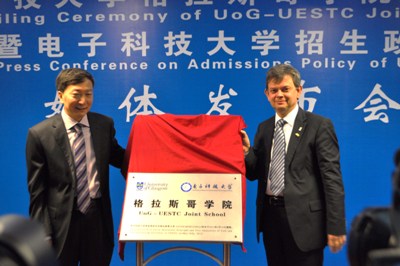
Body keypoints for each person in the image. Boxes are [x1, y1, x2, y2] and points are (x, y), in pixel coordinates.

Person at [241, 64, 346, 266]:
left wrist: (336, 225)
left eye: (285, 89)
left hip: (306, 223)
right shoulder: (264, 128)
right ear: (267, 94)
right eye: (274, 90)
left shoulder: (319, 125)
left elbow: (332, 179)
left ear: (298, 91)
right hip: (270, 218)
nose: (279, 94)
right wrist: (247, 151)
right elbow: (254, 173)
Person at [26, 68, 126, 266]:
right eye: (77, 94)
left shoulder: (104, 125)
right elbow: (37, 192)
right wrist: (42, 233)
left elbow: (121, 158)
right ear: (61, 95)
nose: (83, 101)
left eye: (88, 94)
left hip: (97, 220)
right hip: (60, 225)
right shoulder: (40, 134)